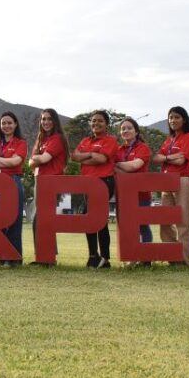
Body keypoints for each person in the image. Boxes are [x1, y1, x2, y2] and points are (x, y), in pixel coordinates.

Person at [152, 106, 189, 266]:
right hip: (166, 182)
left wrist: (166, 157)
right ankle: (173, 258)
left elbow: (180, 161)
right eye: (170, 117)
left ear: (184, 119)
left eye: (176, 117)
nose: (173, 120)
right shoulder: (169, 140)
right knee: (165, 222)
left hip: (182, 180)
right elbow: (156, 158)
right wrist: (170, 157)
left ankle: (186, 261)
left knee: (183, 222)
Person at [72, 110, 118, 268]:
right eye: (93, 121)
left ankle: (100, 256)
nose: (96, 123)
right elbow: (74, 156)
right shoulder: (85, 140)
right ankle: (98, 257)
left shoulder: (111, 140)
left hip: (104, 182)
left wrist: (87, 156)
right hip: (87, 184)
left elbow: (102, 159)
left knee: (96, 218)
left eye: (100, 121)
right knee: (92, 219)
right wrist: (92, 156)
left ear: (106, 124)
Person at [0, 111, 27, 267]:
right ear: (0, 125)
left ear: (15, 124)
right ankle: (3, 258)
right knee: (0, 221)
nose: (7, 126)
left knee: (14, 221)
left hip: (13, 182)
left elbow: (15, 162)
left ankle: (15, 259)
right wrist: (4, 162)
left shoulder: (21, 142)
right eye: (4, 123)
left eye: (10, 123)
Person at [28, 109, 68, 263]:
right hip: (40, 181)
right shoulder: (42, 139)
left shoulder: (57, 138)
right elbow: (31, 163)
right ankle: (44, 256)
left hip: (52, 182)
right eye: (43, 119)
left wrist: (35, 160)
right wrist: (35, 160)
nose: (46, 122)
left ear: (55, 121)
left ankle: (47, 257)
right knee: (39, 219)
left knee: (42, 219)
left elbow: (43, 159)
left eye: (49, 119)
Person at [114, 116, 152, 265]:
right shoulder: (118, 149)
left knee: (143, 225)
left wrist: (119, 164)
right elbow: (114, 169)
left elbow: (135, 166)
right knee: (128, 227)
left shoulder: (143, 147)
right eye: (123, 128)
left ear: (136, 131)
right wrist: (123, 166)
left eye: (129, 128)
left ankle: (146, 258)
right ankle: (132, 258)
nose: (126, 130)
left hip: (141, 195)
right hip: (124, 195)